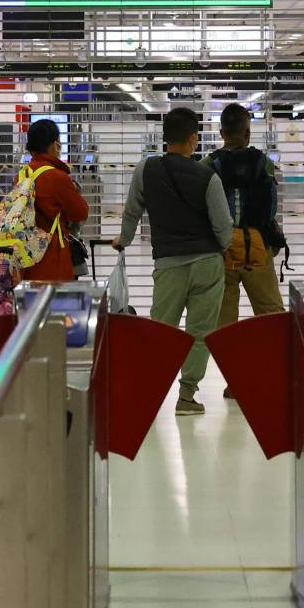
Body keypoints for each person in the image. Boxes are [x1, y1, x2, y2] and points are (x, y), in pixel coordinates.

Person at [114, 106, 232, 416]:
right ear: (194, 138)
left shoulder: (146, 169)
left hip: (168, 264)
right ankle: (186, 397)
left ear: (165, 138)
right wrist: (220, 248)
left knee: (162, 330)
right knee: (199, 332)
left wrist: (123, 240)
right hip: (207, 262)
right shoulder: (208, 176)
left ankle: (149, 395)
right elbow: (223, 225)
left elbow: (132, 211)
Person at [207, 104, 287, 397]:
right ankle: (270, 375)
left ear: (221, 133)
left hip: (223, 252)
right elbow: (272, 205)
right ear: (248, 131)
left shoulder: (209, 164)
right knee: (269, 314)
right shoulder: (263, 162)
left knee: (225, 322)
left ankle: (235, 380)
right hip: (257, 249)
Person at [18, 118, 91, 284]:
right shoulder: (57, 177)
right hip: (53, 257)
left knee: (31, 307)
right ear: (54, 144)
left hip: (25, 256)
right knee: (56, 308)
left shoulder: (23, 174)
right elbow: (81, 212)